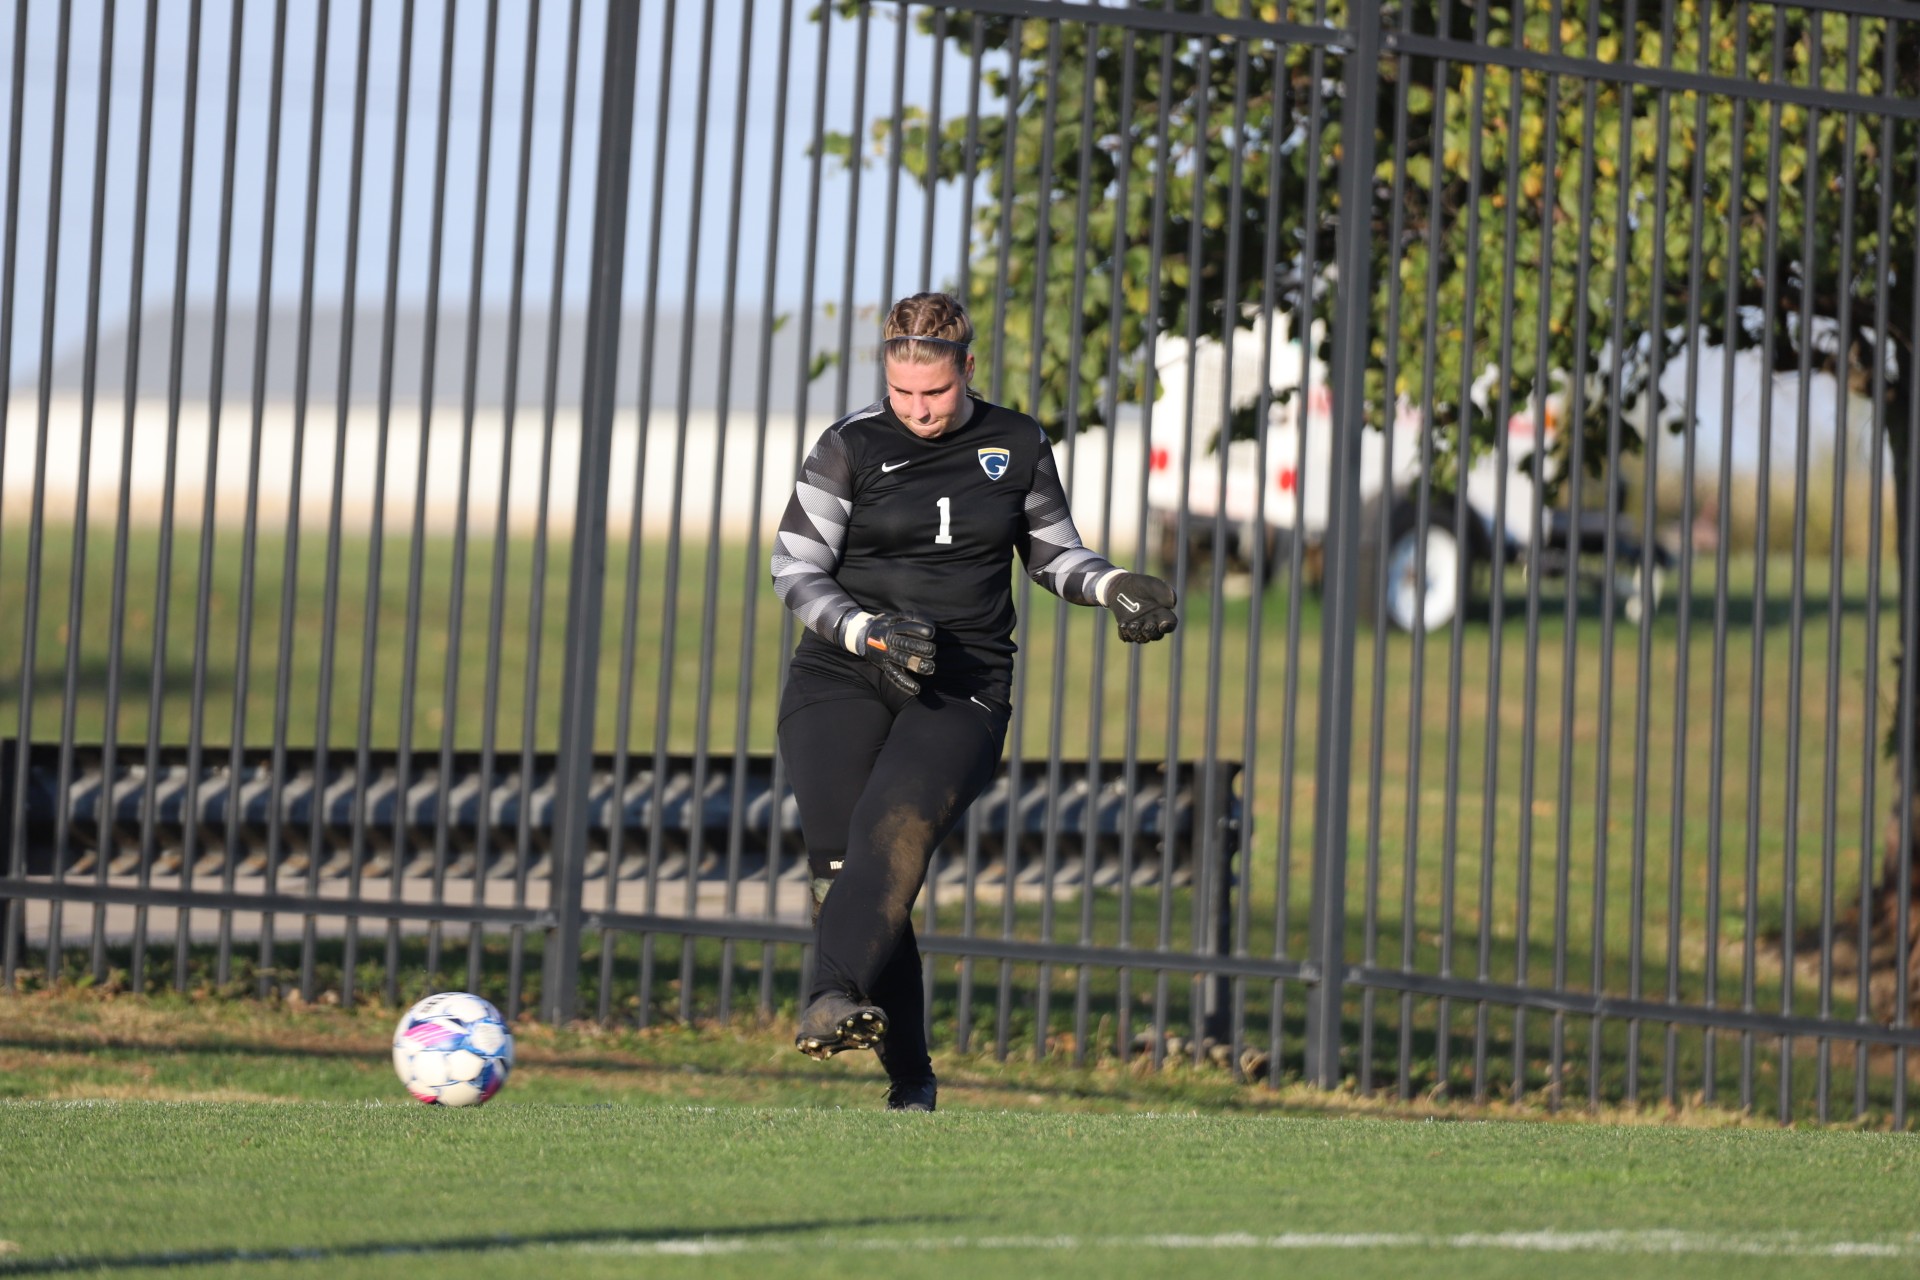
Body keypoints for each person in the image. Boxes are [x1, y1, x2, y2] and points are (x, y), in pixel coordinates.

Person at [769, 292, 1178, 1112]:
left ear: (967, 368)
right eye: (903, 394)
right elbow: (795, 569)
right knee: (846, 874)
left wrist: (1114, 585)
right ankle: (908, 1078)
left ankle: (829, 999)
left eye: (936, 393)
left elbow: (1054, 555)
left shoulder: (1019, 442)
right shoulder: (849, 445)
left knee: (896, 836)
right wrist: (866, 633)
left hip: (961, 688)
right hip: (843, 673)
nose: (918, 411)